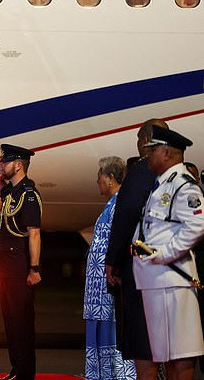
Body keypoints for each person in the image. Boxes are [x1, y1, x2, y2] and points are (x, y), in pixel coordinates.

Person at [133, 125, 204, 379]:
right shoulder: (162, 184)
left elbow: (197, 225)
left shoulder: (182, 185)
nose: (147, 154)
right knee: (165, 354)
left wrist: (163, 254)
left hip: (173, 279)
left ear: (166, 152)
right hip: (157, 280)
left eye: (152, 150)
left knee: (182, 353)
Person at [105, 118, 168, 379]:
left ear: (144, 141)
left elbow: (126, 215)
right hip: (173, 270)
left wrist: (113, 259)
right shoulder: (179, 174)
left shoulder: (142, 171)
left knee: (144, 343)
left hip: (143, 269)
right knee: (173, 347)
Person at [83, 156, 136, 380]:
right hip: (99, 291)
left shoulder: (120, 205)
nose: (98, 182)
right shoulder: (112, 204)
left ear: (111, 178)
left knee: (112, 333)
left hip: (108, 288)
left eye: (100, 177)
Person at [0, 144, 42, 380]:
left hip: (20, 267)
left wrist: (34, 268)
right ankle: (16, 371)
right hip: (5, 267)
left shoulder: (28, 194)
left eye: (7, 162)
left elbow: (34, 233)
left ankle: (24, 374)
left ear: (19, 165)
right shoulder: (12, 192)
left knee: (22, 324)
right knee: (11, 323)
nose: (4, 164)